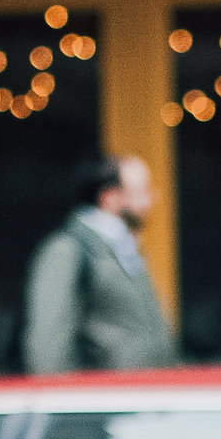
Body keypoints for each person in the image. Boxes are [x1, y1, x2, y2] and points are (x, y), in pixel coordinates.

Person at [22, 154, 175, 371]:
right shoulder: (67, 250)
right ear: (109, 197)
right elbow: (49, 345)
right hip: (105, 400)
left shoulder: (123, 248)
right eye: (141, 191)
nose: (150, 200)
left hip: (143, 395)